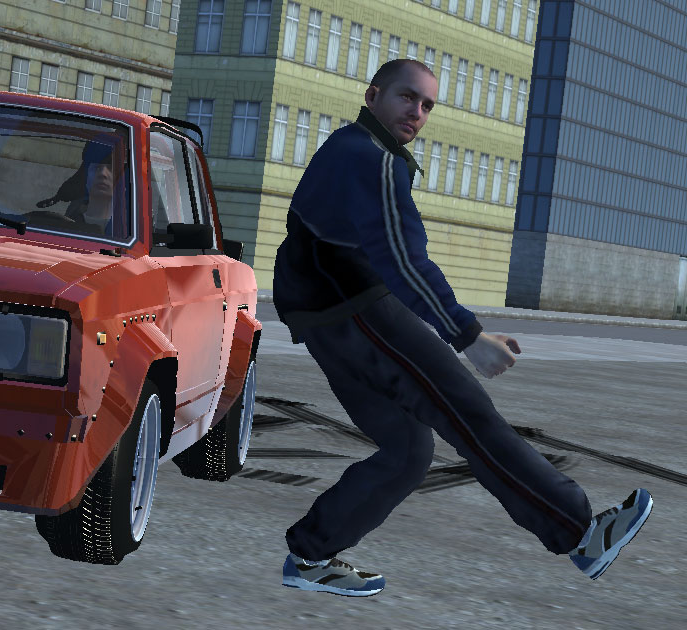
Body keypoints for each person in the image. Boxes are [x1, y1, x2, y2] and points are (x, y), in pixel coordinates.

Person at [272, 59, 653, 597]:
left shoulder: (348, 146)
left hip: (324, 315)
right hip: (355, 307)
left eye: (427, 105)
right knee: (469, 413)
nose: (417, 112)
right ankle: (581, 533)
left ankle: (311, 555)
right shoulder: (371, 158)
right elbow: (403, 261)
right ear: (373, 95)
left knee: (407, 451)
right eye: (407, 97)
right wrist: (468, 336)